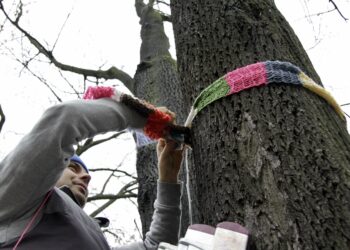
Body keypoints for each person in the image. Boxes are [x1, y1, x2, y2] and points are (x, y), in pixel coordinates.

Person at [0, 97, 184, 249]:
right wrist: (148, 119)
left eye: (86, 173)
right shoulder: (10, 196)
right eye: (73, 167)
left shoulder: (96, 241)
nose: (87, 177)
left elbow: (156, 247)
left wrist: (168, 178)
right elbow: (65, 119)